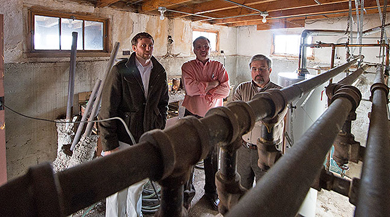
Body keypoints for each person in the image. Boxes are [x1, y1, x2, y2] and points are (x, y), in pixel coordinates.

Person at [99, 32, 169, 217]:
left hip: (146, 137)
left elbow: (163, 103)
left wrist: (159, 124)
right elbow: (107, 108)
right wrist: (109, 144)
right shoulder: (121, 70)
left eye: (150, 45)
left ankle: (134, 215)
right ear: (134, 48)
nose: (148, 49)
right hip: (123, 137)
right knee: (116, 187)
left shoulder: (159, 71)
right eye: (143, 45)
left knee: (137, 185)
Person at [181, 36, 230, 210]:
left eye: (206, 46)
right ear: (194, 49)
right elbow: (190, 89)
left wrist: (206, 92)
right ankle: (187, 195)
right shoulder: (187, 67)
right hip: (192, 115)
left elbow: (226, 90)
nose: (203, 49)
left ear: (210, 48)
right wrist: (212, 84)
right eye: (199, 46)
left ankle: (212, 193)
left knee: (212, 157)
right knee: (190, 156)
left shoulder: (218, 66)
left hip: (213, 116)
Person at [233, 54, 284, 189]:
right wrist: (258, 118)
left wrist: (246, 117)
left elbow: (274, 121)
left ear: (270, 70)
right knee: (241, 187)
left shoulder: (279, 93)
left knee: (264, 190)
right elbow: (235, 115)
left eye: (262, 69)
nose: (258, 73)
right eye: (254, 69)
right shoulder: (241, 89)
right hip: (243, 148)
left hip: (266, 152)